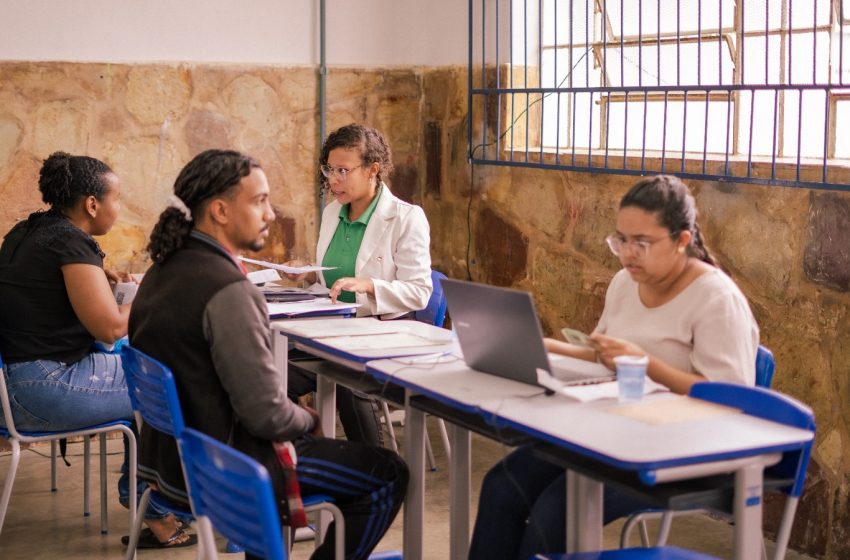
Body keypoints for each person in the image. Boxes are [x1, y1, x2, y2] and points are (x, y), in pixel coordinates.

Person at [129, 149, 408, 560]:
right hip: (236, 469)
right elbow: (265, 414)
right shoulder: (227, 291)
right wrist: (309, 418)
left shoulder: (162, 271)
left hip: (181, 463)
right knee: (388, 473)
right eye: (259, 201)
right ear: (221, 211)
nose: (271, 214)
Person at [468, 174, 759, 559]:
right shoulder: (625, 282)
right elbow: (603, 352)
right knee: (502, 485)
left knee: (556, 509)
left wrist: (644, 363)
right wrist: (539, 344)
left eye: (642, 243)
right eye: (621, 240)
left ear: (682, 240)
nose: (627, 254)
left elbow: (730, 401)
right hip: (607, 430)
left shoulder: (715, 297)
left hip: (677, 450)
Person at [0, 152, 192, 548]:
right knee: (174, 385)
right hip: (44, 386)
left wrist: (103, 280)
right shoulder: (70, 242)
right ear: (92, 203)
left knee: (147, 367)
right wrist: (156, 289)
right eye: (116, 199)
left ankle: (152, 500)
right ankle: (156, 509)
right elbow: (108, 327)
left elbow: (46, 297)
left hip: (15, 384)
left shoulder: (29, 231)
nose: (117, 208)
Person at [285, 123, 433, 447]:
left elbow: (420, 291)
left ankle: (374, 474)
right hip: (330, 332)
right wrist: (308, 273)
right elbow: (332, 277)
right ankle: (303, 459)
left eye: (343, 170)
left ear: (372, 170)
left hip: (381, 333)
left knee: (349, 378)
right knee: (269, 375)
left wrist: (369, 285)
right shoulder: (332, 212)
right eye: (329, 170)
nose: (333, 180)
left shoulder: (407, 218)